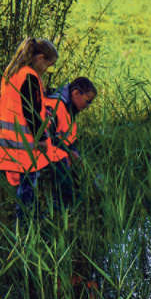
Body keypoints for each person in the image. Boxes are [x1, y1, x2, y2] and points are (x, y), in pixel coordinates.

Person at [0, 38, 58, 218]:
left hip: (7, 137)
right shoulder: (29, 76)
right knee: (28, 184)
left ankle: (29, 217)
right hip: (24, 141)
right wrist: (42, 139)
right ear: (39, 58)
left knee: (22, 185)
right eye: (49, 65)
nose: (47, 70)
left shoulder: (12, 72)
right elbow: (30, 112)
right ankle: (24, 225)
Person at [43, 76, 97, 207]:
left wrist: (74, 153)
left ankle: (86, 198)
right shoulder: (54, 105)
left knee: (81, 166)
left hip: (62, 148)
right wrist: (69, 152)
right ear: (76, 93)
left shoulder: (70, 107)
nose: (88, 106)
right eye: (87, 101)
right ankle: (62, 209)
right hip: (45, 149)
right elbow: (46, 135)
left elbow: (68, 137)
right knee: (64, 168)